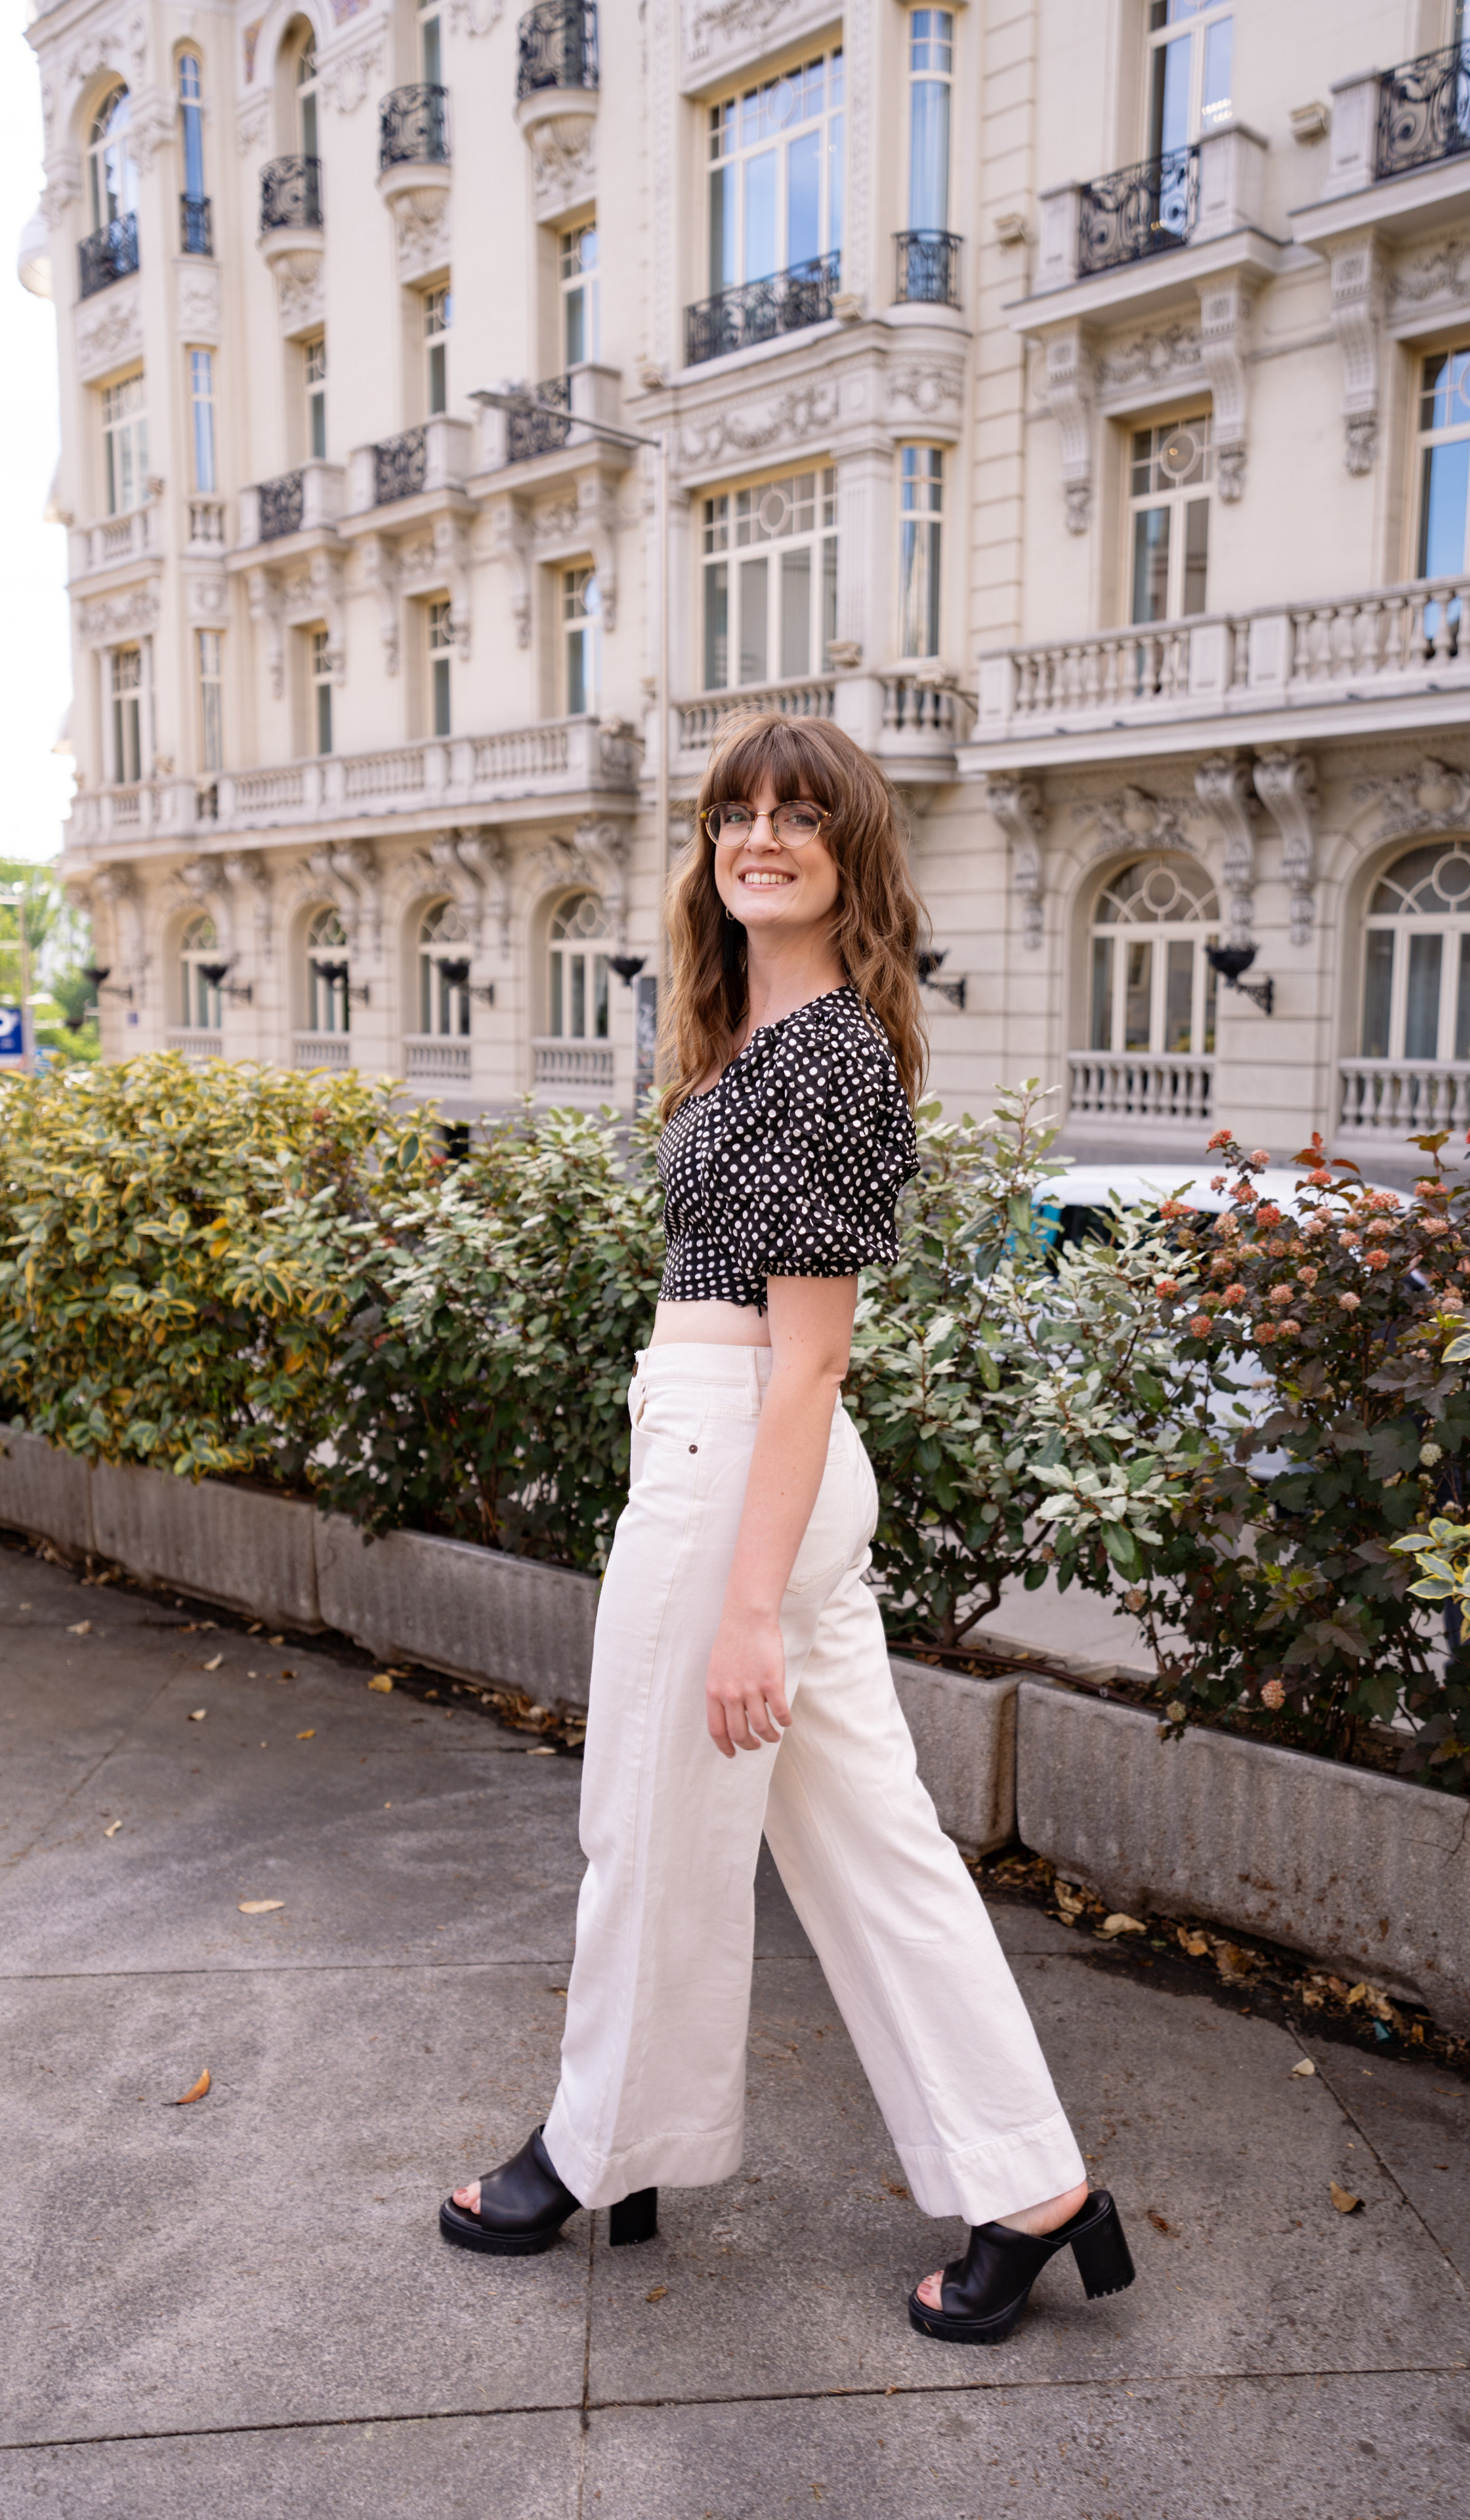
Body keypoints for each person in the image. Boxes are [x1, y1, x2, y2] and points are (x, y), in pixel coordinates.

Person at [439, 713, 1134, 2343]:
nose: (759, 837)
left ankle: (591, 2153)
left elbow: (811, 1354)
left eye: (797, 816)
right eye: (734, 813)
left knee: (650, 1832)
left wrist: (747, 1604)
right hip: (733, 1451)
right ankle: (1030, 2186)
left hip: (742, 1459)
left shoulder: (822, 1049)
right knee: (867, 1844)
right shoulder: (755, 1028)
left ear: (848, 852)